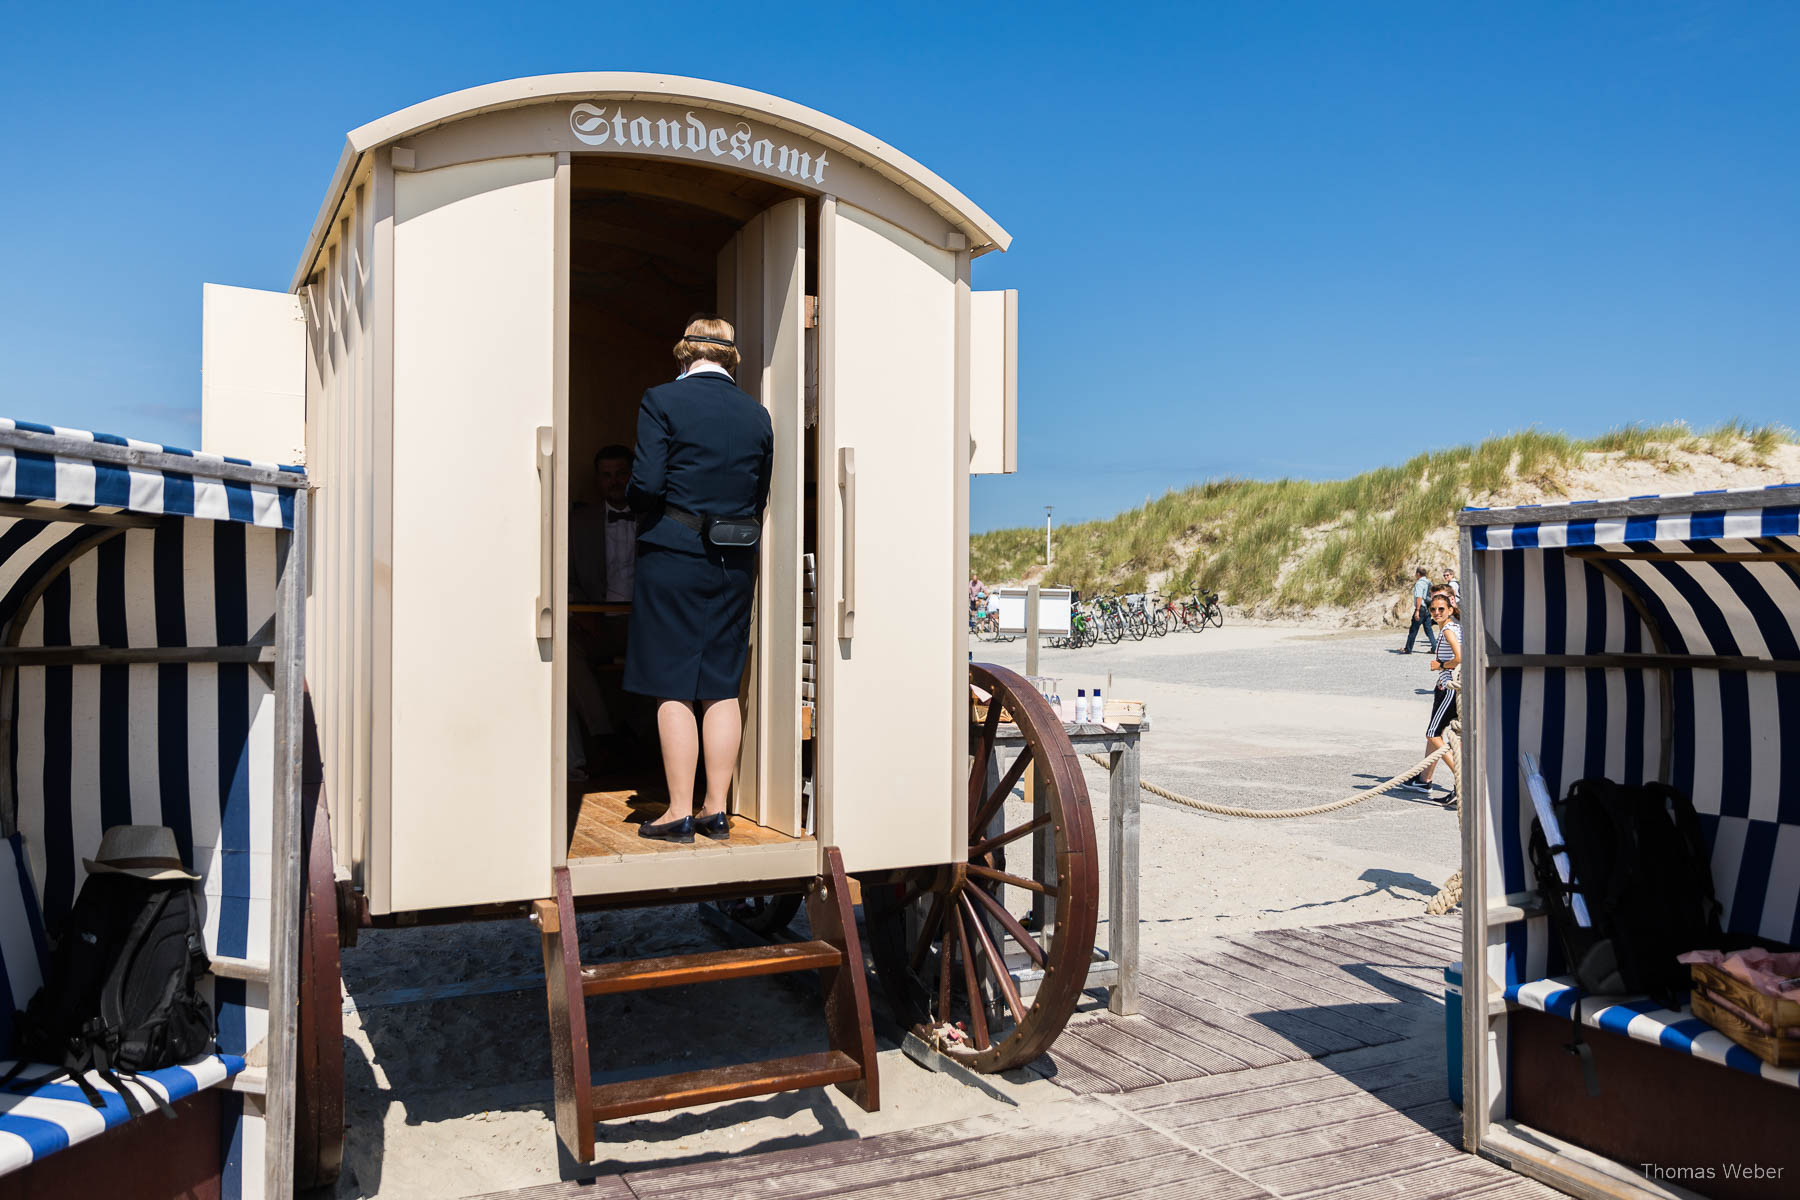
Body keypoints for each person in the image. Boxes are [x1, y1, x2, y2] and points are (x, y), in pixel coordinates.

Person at [623, 315, 773, 843]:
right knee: (719, 684)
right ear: (731, 359)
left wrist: (638, 510)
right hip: (736, 558)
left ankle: (679, 810)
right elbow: (759, 497)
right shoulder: (758, 416)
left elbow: (646, 482)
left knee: (672, 681)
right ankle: (716, 809)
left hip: (675, 551)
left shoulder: (662, 401)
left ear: (683, 355)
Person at [567, 445, 647, 782]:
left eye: (621, 473)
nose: (614, 482)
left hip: (647, 624)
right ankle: (604, 739)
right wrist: (582, 611)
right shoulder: (579, 521)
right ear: (598, 480)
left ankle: (638, 738)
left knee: (675, 654)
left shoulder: (653, 517)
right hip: (599, 622)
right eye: (606, 475)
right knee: (564, 650)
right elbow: (564, 575)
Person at [1415, 592, 1461, 802]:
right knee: (1442, 734)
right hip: (1451, 687)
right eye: (1433, 609)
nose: (1436, 613)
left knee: (1433, 735)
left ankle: (1462, 781)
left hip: (1449, 688)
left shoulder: (1448, 631)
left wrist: (1440, 665)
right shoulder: (1453, 627)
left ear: (1450, 610)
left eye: (1441, 609)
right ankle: (1425, 779)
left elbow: (1460, 658)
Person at [1399, 566, 1435, 654]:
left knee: (1413, 629)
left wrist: (1417, 610)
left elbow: (1419, 597)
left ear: (1418, 574)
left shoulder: (1419, 583)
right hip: (1427, 608)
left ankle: (1408, 649)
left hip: (1421, 608)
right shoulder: (1429, 583)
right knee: (1428, 629)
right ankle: (1435, 647)